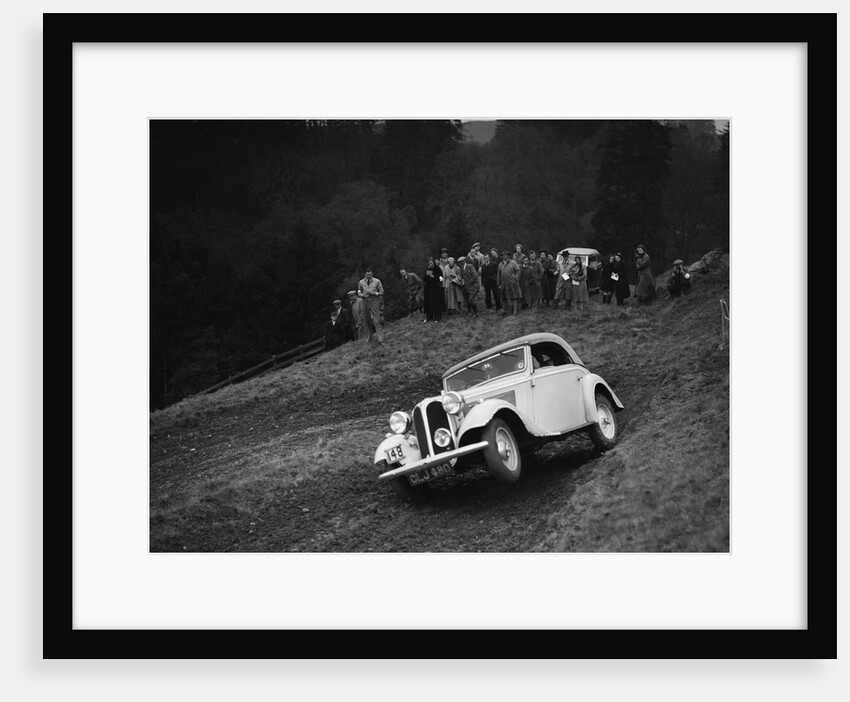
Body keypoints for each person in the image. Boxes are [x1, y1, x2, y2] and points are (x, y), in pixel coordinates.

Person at [357, 268, 385, 343]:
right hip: (364, 301)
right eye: (367, 274)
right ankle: (369, 339)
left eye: (370, 274)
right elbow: (359, 291)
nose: (369, 276)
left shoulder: (377, 281)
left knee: (377, 320)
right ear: (365, 274)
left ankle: (380, 339)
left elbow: (382, 292)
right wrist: (361, 295)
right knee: (366, 320)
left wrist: (375, 293)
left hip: (374, 300)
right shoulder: (361, 282)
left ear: (372, 274)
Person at [497, 249, 522, 316]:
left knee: (514, 297)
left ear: (508, 256)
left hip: (512, 283)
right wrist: (499, 284)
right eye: (503, 255)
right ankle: (506, 311)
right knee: (504, 298)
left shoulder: (513, 263)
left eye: (506, 255)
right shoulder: (500, 264)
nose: (504, 256)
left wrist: (516, 277)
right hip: (504, 284)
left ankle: (515, 311)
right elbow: (498, 275)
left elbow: (518, 271)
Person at [423, 258, 446, 322]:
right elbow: (424, 279)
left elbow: (441, 278)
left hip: (436, 288)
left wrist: (433, 276)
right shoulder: (428, 269)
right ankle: (429, 316)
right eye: (429, 263)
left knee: (436, 303)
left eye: (431, 263)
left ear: (434, 263)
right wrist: (427, 275)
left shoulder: (437, 269)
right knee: (429, 302)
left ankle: (437, 317)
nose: (430, 264)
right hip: (429, 288)